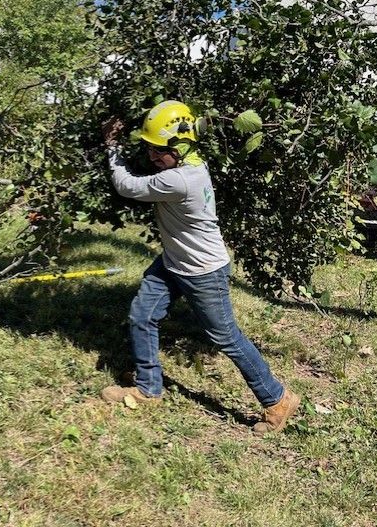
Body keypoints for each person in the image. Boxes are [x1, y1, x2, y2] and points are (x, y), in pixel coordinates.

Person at [101, 100, 300, 436]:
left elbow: (126, 186)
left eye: (158, 150)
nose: (152, 157)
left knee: (226, 338)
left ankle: (277, 399)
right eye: (149, 149)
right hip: (174, 262)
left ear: (180, 146)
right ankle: (149, 388)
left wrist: (112, 147)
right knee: (142, 314)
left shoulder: (179, 181)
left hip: (203, 271)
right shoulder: (190, 166)